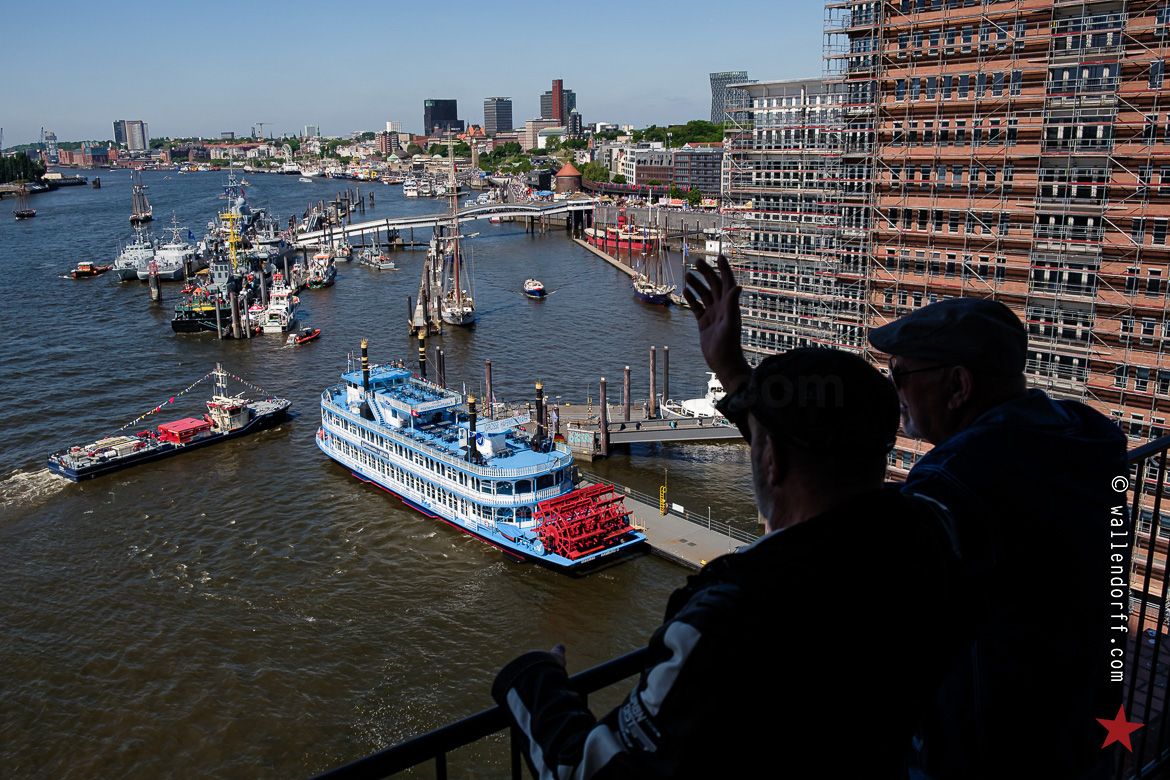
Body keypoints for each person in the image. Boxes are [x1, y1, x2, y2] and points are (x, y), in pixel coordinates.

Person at [491, 258, 975, 778]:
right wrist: (731, 370)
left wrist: (531, 681)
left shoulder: (726, 618)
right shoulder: (934, 540)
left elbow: (587, 772)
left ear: (770, 459)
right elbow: (803, 445)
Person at [868, 297, 1128, 779]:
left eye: (899, 373)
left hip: (987, 755)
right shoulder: (1080, 442)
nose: (892, 388)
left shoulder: (954, 481)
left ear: (958, 385)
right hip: (1078, 733)